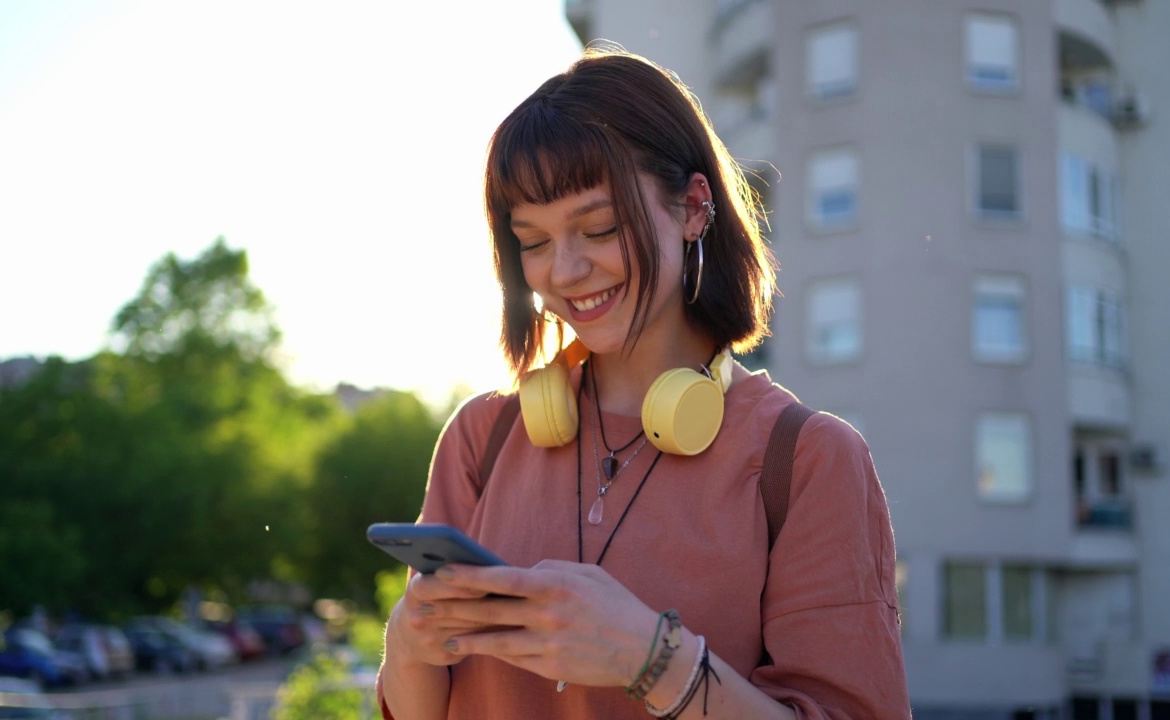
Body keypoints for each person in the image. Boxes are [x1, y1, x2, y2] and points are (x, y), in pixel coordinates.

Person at [376, 46, 910, 719]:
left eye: (597, 228)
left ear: (692, 208)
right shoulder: (481, 437)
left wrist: (649, 658)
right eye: (532, 242)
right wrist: (410, 641)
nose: (564, 272)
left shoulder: (809, 461)